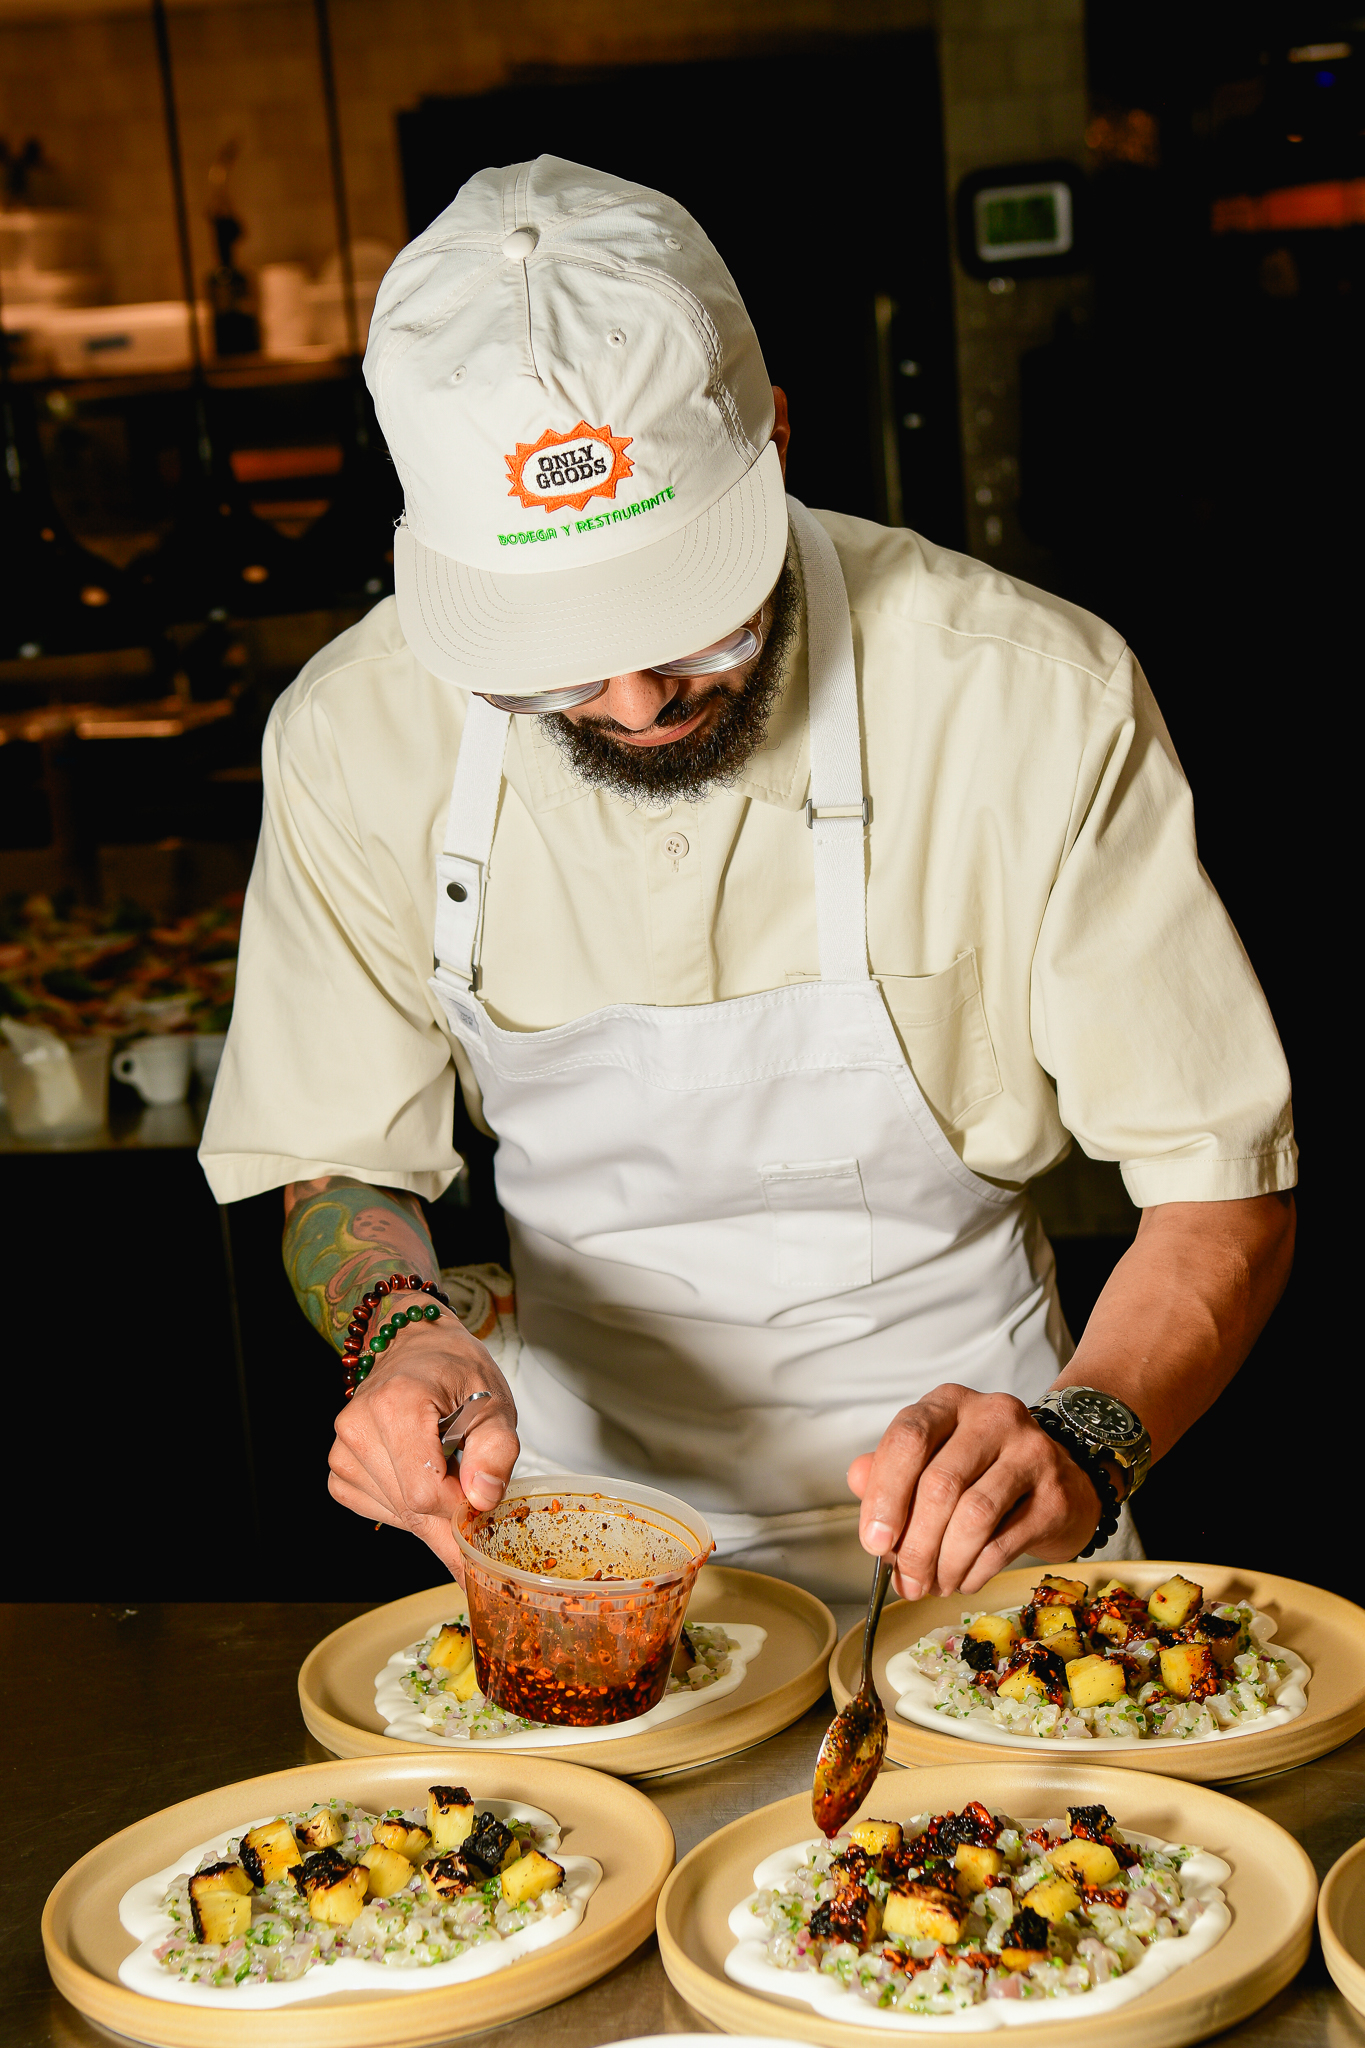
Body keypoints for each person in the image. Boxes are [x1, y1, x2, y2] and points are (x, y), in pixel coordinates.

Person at [200, 156, 1295, 1603]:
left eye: (691, 617)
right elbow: (333, 1155)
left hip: (991, 1522)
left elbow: (1218, 1190)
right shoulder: (356, 737)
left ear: (774, 443)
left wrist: (1083, 1438)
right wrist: (402, 1331)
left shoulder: (1026, 698)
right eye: (557, 656)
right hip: (565, 1539)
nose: (642, 696)